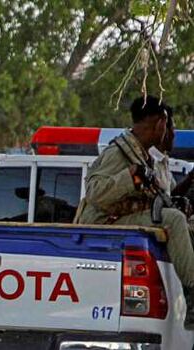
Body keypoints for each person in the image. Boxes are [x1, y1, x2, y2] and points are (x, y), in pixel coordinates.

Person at [79, 95, 194, 327]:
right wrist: (129, 177)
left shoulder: (141, 153)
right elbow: (94, 193)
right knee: (172, 219)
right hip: (103, 225)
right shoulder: (120, 152)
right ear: (161, 123)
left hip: (123, 221)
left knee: (181, 218)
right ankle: (192, 293)